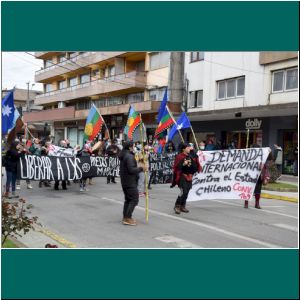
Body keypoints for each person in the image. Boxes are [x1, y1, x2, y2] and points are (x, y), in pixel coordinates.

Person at [119, 141, 146, 226]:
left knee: (128, 199)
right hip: (130, 181)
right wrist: (141, 168)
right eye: (133, 146)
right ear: (130, 147)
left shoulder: (124, 155)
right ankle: (128, 217)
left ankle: (125, 217)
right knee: (134, 199)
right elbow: (131, 170)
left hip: (125, 181)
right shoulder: (129, 156)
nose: (134, 147)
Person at [173, 143, 202, 214]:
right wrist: (183, 164)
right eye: (188, 148)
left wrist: (198, 166)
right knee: (183, 191)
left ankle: (183, 205)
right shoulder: (179, 156)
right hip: (182, 176)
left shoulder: (191, 156)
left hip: (190, 176)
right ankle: (177, 206)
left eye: (190, 148)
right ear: (184, 149)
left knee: (187, 191)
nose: (189, 149)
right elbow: (176, 167)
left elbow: (195, 162)